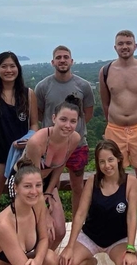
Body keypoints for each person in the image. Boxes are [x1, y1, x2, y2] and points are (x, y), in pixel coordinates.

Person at [59, 139, 137, 265]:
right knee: (65, 264)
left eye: (110, 160)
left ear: (118, 159)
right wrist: (69, 246)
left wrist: (130, 248)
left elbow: (131, 217)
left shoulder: (131, 182)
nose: (107, 165)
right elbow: (80, 214)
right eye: (102, 161)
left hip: (117, 238)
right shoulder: (93, 181)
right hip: (92, 236)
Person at [0, 52, 38, 243]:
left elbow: (35, 125)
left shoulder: (28, 94)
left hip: (22, 160)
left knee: (25, 207)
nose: (8, 70)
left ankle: (21, 251)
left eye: (12, 66)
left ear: (18, 69)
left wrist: (28, 139)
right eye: (4, 66)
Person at [99, 30, 137, 198]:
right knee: (113, 174)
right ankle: (119, 214)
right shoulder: (106, 71)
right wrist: (111, 122)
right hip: (115, 128)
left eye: (128, 43)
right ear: (115, 47)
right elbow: (105, 102)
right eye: (121, 44)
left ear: (135, 46)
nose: (124, 47)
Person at [34, 45, 95, 215]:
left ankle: (77, 223)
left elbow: (87, 113)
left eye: (65, 57)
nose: (62, 60)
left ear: (72, 61)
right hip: (50, 146)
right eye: (59, 57)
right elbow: (39, 113)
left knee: (78, 186)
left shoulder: (83, 86)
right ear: (53, 62)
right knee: (49, 184)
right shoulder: (43, 87)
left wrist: (71, 131)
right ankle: (48, 219)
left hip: (78, 144)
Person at [20, 100, 82, 250]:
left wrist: (49, 191)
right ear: (54, 118)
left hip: (47, 181)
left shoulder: (74, 139)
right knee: (40, 230)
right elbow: (33, 179)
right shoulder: (38, 142)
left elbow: (60, 166)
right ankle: (27, 262)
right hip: (25, 183)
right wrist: (45, 214)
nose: (68, 125)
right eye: (63, 119)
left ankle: (43, 261)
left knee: (59, 231)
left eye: (73, 121)